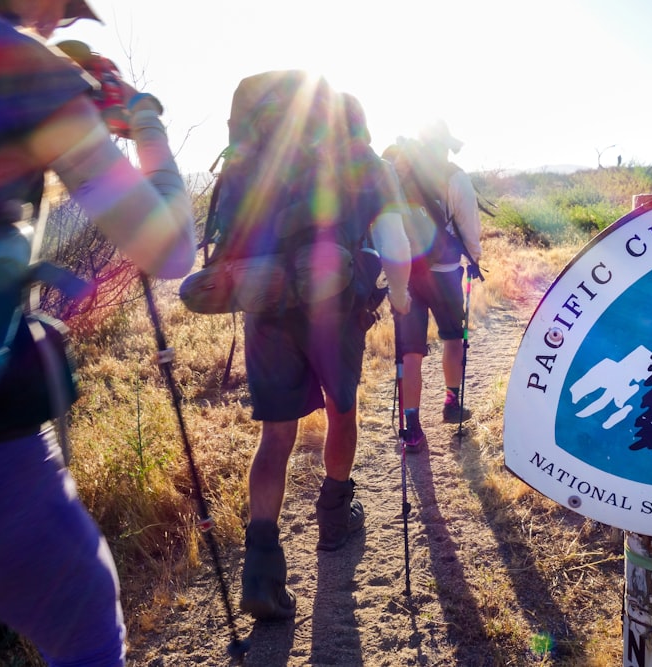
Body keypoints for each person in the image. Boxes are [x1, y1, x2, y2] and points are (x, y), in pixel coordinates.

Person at [0, 1, 196, 665]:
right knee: (84, 617)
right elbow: (165, 248)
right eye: (59, 8)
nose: (59, 23)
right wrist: (146, 127)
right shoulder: (15, 63)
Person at [239, 90, 412, 621]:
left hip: (267, 306)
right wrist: (401, 299)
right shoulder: (370, 167)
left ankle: (261, 569)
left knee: (276, 435)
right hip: (334, 309)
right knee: (342, 411)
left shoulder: (274, 165)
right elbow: (396, 246)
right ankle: (335, 517)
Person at [387, 120, 483, 450]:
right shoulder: (455, 177)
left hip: (406, 274)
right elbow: (468, 225)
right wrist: (474, 258)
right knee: (453, 338)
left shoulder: (399, 176)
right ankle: (451, 403)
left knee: (410, 352)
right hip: (444, 274)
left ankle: (412, 426)